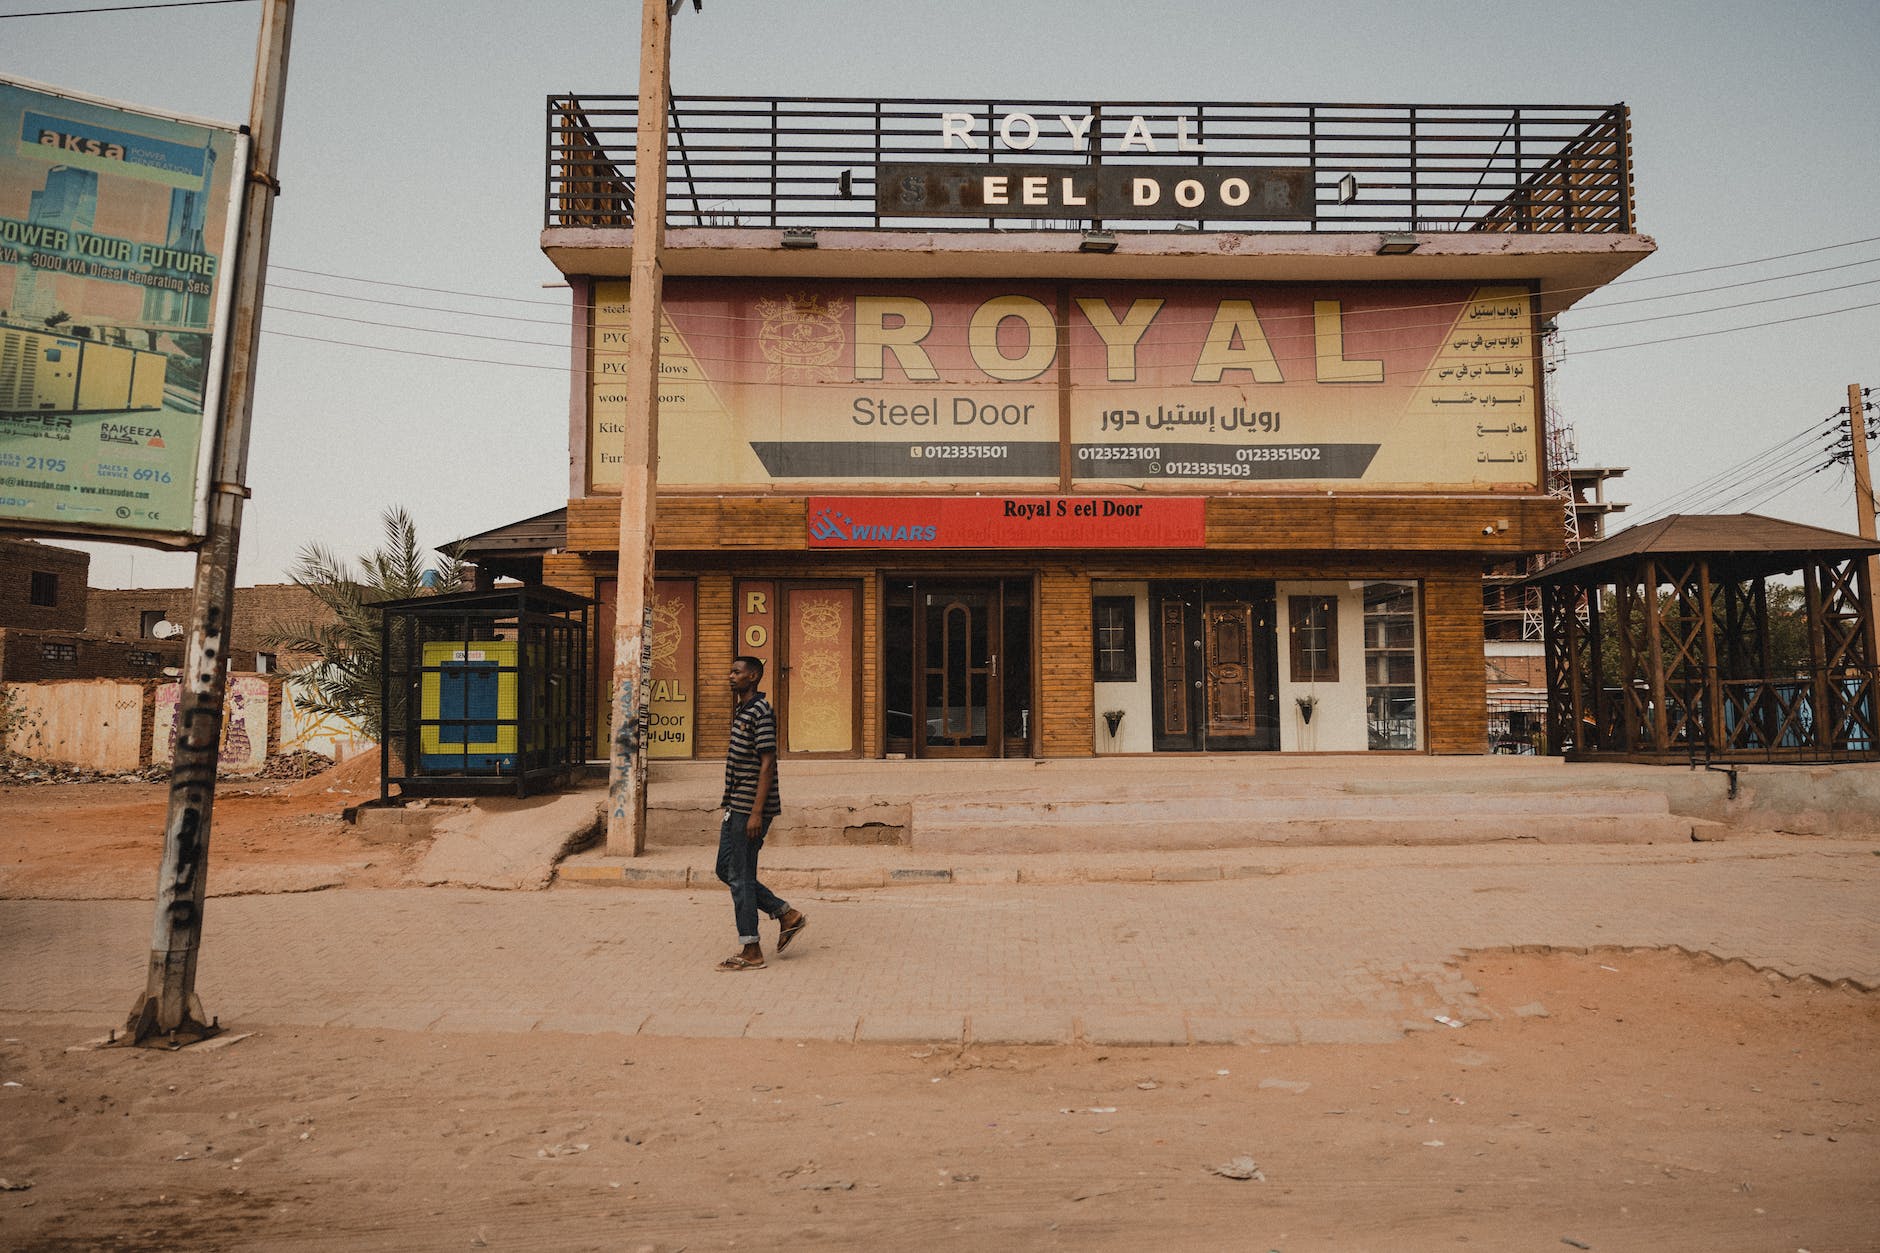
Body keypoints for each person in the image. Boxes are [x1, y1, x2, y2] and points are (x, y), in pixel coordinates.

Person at [714, 655, 806, 970]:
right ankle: (785, 913)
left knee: (739, 876)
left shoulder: (761, 712)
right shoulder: (743, 710)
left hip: (750, 807)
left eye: (737, 672)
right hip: (736, 804)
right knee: (727, 870)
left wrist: (756, 813)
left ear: (753, 676)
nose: (731, 676)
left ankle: (751, 949)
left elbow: (768, 763)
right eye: (731, 671)